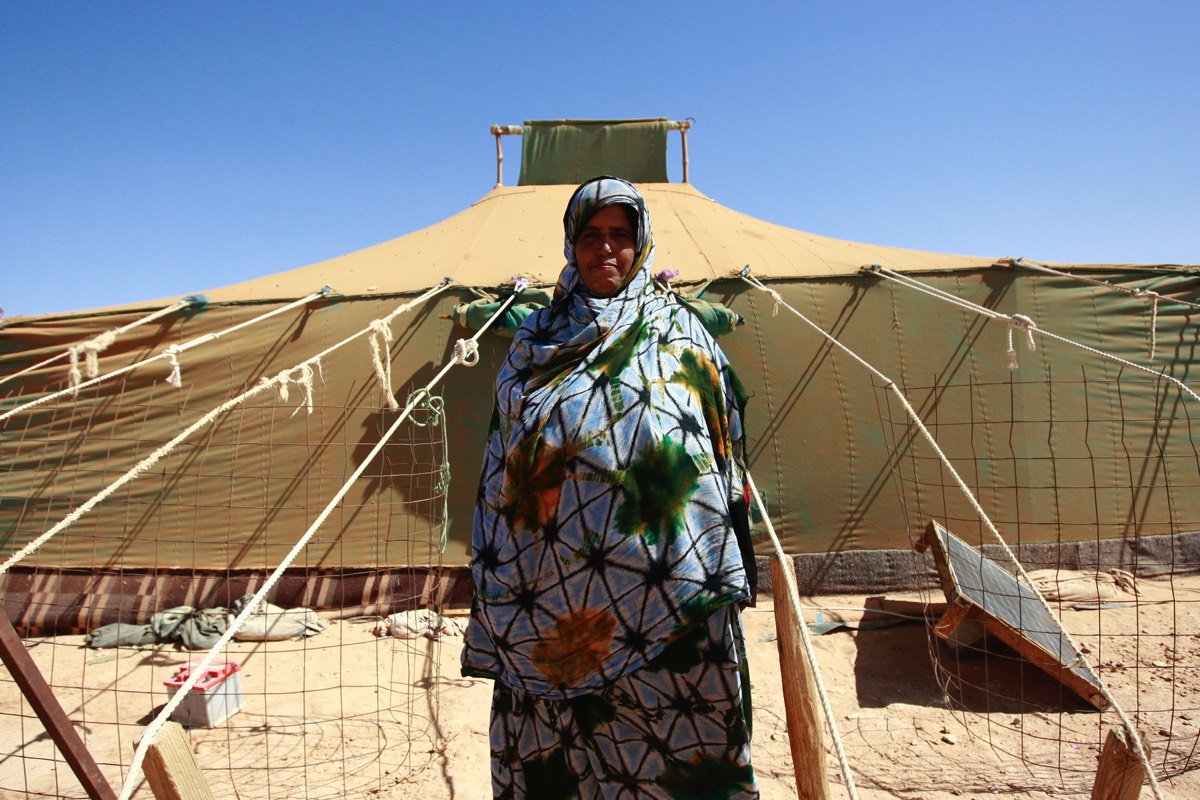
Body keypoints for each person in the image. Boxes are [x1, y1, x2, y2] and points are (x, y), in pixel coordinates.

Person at [461, 176, 759, 799]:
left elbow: (722, 425)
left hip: (675, 592)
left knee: (676, 742)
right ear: (570, 243)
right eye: (591, 235)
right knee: (565, 755)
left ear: (641, 243)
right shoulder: (535, 342)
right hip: (555, 597)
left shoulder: (680, 331)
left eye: (620, 237)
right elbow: (505, 455)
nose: (606, 250)